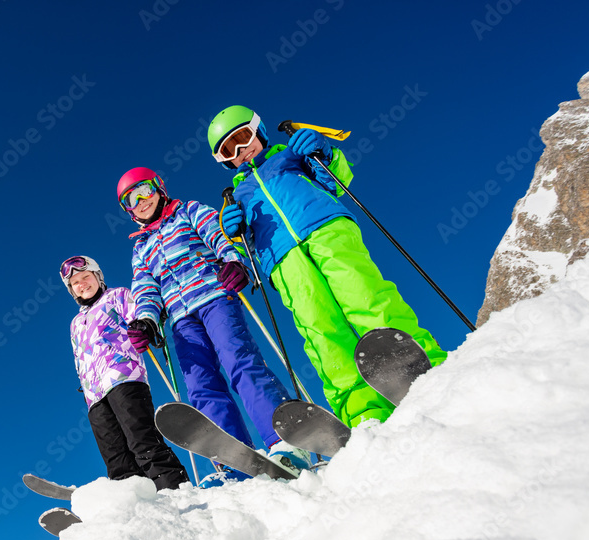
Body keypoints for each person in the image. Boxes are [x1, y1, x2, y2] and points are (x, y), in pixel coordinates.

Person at [207, 105, 447, 427]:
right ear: (225, 161)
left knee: (365, 296)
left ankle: (420, 365)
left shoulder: (290, 156)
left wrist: (324, 151)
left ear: (259, 130)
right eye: (228, 150)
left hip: (326, 229)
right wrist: (233, 231)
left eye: (242, 137)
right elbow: (246, 247)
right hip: (283, 261)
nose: (239, 150)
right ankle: (363, 411)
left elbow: (338, 178)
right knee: (320, 329)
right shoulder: (238, 195)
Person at [117, 167, 312, 474]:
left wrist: (233, 261)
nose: (141, 201)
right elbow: (145, 289)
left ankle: (284, 440)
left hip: (214, 296)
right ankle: (233, 462)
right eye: (131, 199)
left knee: (239, 360)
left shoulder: (188, 211)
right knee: (201, 386)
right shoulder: (141, 249)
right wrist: (146, 320)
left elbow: (218, 235)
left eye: (145, 191)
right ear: (128, 210)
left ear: (159, 188)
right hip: (181, 320)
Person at [61, 255, 189, 491]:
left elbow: (141, 318)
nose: (82, 284)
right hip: (94, 396)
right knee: (115, 457)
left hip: (124, 378)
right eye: (75, 282)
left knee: (142, 440)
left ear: (97, 276)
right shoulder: (76, 323)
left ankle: (174, 490)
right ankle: (135, 503)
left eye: (86, 277)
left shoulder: (117, 296)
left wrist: (145, 328)